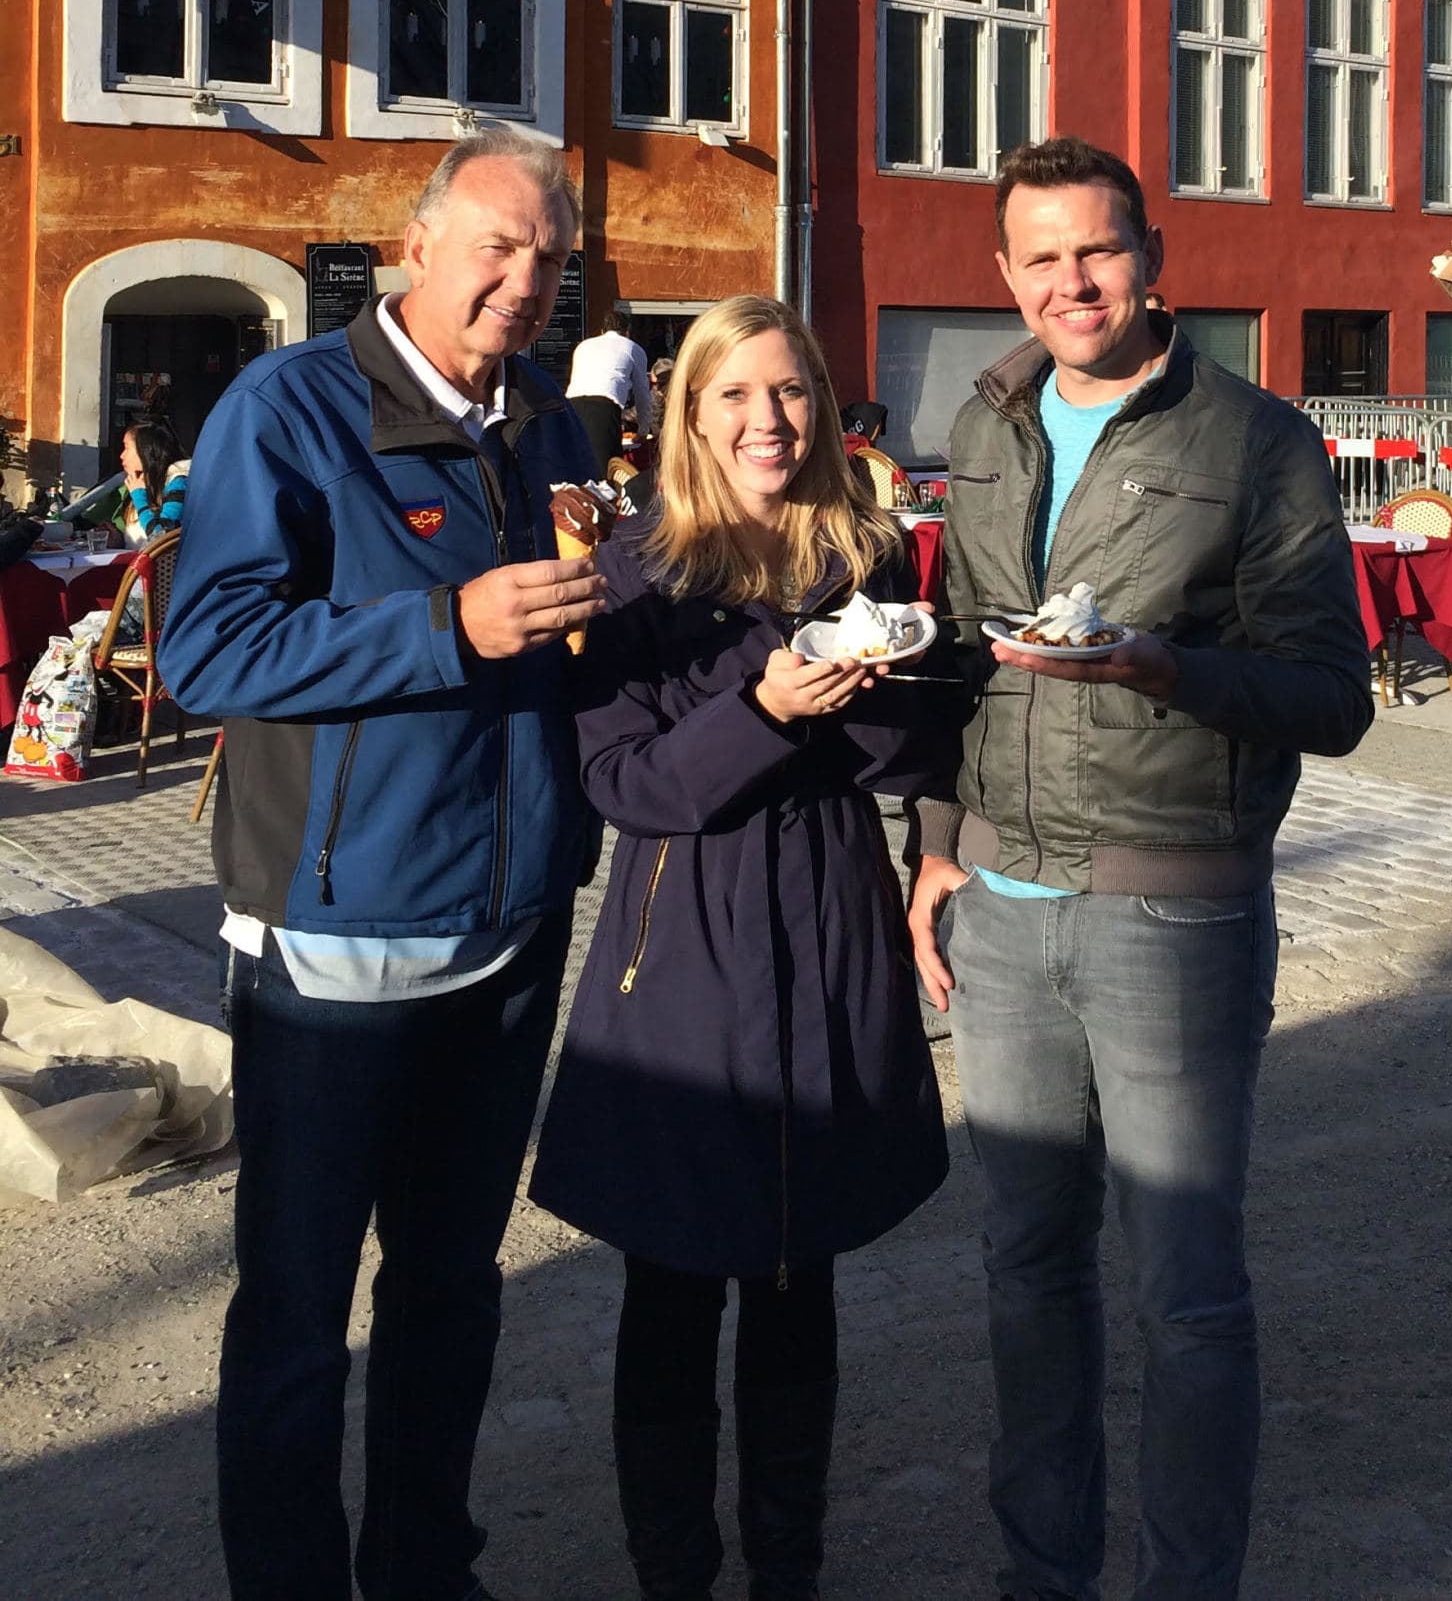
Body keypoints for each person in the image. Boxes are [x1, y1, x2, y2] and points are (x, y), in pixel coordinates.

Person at [907, 136, 1374, 1601]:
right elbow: (960, 659)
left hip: (1172, 906)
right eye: (1041, 257)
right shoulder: (986, 420)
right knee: (1025, 1270)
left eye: (1097, 250)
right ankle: (1042, 1576)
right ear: (1005, 273)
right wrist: (933, 846)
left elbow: (1333, 696)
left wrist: (1167, 666)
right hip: (1000, 911)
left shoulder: (1255, 439)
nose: (1072, 281)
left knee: (1185, 1294)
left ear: (1151, 257)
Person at [158, 127, 611, 1601]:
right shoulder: (290, 407)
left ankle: (425, 1566)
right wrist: (444, 625)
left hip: (510, 925)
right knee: (299, 1312)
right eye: (497, 244)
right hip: (333, 938)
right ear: (416, 247)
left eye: (551, 256)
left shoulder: (550, 423)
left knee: (450, 1291)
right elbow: (206, 649)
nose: (524, 279)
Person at [531, 295, 966, 1601]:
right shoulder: (632, 567)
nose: (766, 418)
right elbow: (624, 781)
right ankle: (674, 1573)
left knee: (796, 1266)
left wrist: (884, 697)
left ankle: (789, 1567)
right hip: (681, 943)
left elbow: (911, 756)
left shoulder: (861, 549)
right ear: (689, 412)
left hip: (830, 920)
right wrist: (766, 708)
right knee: (672, 1278)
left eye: (789, 391)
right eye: (735, 392)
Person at [569, 300, 657, 474]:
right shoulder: (633, 348)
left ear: (602, 331)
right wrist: (643, 430)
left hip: (572, 407)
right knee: (607, 469)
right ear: (627, 331)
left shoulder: (583, 346)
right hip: (603, 408)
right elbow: (642, 394)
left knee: (576, 466)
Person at [117, 414, 188, 542]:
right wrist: (118, 539)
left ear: (146, 451)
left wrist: (139, 497)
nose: (122, 455)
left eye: (127, 448)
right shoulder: (140, 483)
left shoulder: (178, 483)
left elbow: (161, 537)